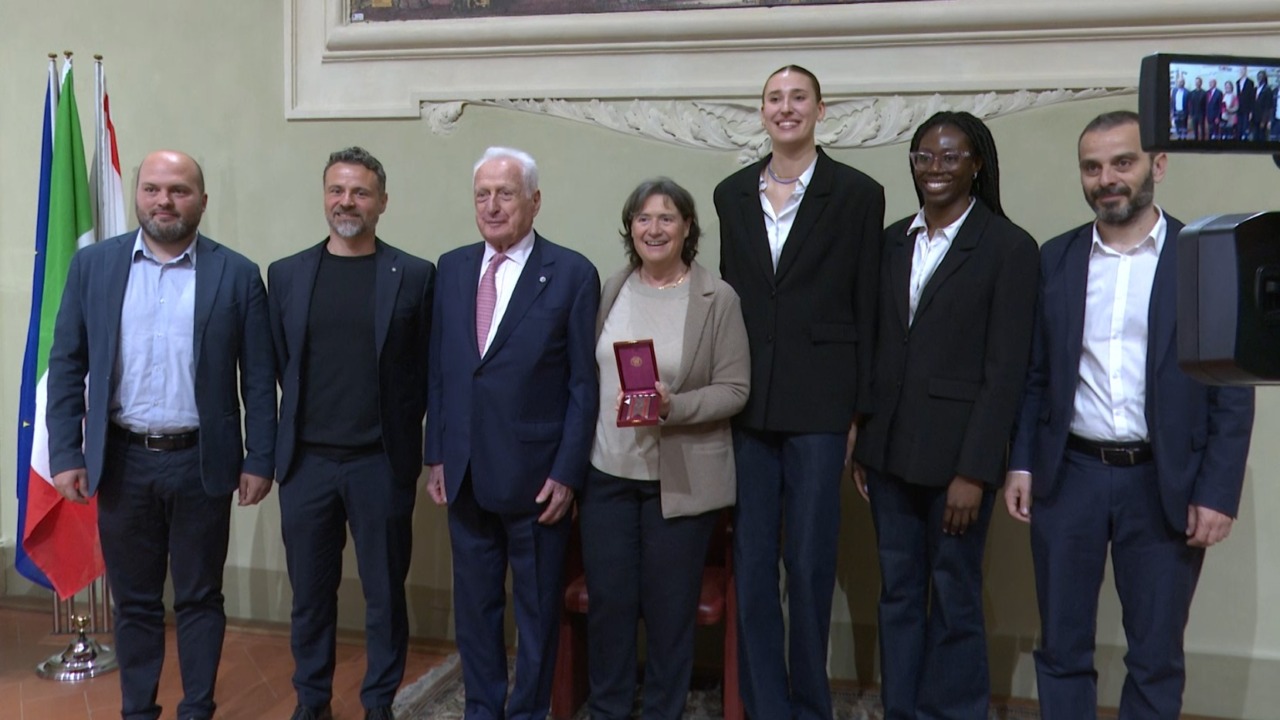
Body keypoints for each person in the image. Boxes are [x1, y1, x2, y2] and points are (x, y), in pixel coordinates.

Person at [1004, 111, 1255, 719]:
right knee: (1061, 646)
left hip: (1163, 483)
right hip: (1070, 478)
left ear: (1157, 165)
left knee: (1156, 654)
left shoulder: (1205, 258)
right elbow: (1035, 374)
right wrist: (1021, 464)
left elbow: (1231, 388)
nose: (1106, 178)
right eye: (1092, 167)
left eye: (1122, 162)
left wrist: (1217, 492)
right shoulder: (1056, 258)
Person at [46, 150, 277, 720]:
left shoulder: (237, 274)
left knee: (200, 597)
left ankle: (197, 708)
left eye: (178, 190)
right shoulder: (94, 266)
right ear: (137, 195)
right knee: (135, 603)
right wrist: (66, 451)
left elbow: (258, 377)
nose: (163, 201)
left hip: (202, 462)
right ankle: (138, 711)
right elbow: (68, 363)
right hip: (122, 461)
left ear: (201, 200)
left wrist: (260, 458)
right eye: (152, 188)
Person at [854, 112, 1039, 720]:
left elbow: (1005, 372)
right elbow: (878, 346)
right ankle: (903, 711)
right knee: (898, 593)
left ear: (976, 164)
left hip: (958, 463)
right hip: (888, 455)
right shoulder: (891, 241)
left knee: (955, 596)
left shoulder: (1008, 247)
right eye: (924, 157)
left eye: (950, 157)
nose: (935, 168)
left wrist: (975, 471)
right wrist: (865, 440)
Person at [714, 65, 884, 720]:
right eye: (774, 98)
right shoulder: (732, 193)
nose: (786, 108)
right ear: (762, 111)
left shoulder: (858, 194)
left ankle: (811, 706)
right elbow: (730, 298)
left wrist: (858, 412)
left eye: (798, 98)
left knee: (810, 566)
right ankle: (766, 706)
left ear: (820, 109)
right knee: (753, 565)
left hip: (821, 406)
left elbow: (868, 307)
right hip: (749, 404)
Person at [425, 147, 600, 720]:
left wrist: (567, 473)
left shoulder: (571, 273)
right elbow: (442, 371)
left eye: (505, 193)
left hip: (537, 481)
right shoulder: (452, 268)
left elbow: (583, 384)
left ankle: (527, 712)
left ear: (534, 201)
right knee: (474, 610)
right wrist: (436, 454)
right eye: (483, 194)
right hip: (465, 473)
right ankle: (482, 709)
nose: (492, 206)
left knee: (537, 613)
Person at [269, 147, 435, 720]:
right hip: (306, 465)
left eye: (360, 192)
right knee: (310, 597)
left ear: (382, 202)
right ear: (324, 197)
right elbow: (281, 365)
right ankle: (312, 701)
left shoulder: (415, 275)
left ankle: (378, 703)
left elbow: (426, 372)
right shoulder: (286, 275)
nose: (347, 201)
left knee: (385, 596)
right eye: (337, 190)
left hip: (380, 463)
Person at [583, 178, 750, 720]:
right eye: (643, 218)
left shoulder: (717, 298)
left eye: (667, 218)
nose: (653, 229)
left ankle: (662, 711)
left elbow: (735, 390)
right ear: (630, 228)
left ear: (687, 228)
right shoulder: (612, 288)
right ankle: (608, 709)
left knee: (669, 613)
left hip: (678, 483)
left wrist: (674, 406)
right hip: (607, 474)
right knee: (609, 607)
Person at [1253, 70, 1274, 142]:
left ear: (1264, 78)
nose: (1259, 78)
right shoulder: (1255, 89)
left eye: (1261, 76)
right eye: (1258, 76)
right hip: (1255, 117)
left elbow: (1268, 107)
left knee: (1262, 137)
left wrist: (1264, 120)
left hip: (1262, 118)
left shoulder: (1267, 90)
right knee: (1255, 137)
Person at [1235, 66, 1255, 140]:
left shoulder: (1250, 82)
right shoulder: (1237, 82)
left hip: (1247, 109)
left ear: (1246, 71)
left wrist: (1251, 111)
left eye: (1243, 70)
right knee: (1239, 127)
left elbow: (1252, 97)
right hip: (1239, 109)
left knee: (1245, 127)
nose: (1241, 71)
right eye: (1240, 70)